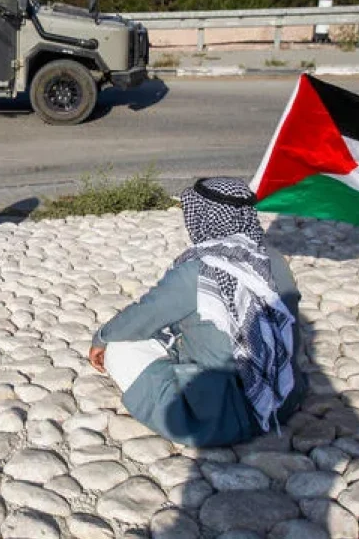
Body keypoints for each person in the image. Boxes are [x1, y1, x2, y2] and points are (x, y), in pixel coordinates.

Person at [88, 177, 305, 447]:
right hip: (281, 400)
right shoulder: (273, 259)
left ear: (202, 216)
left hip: (222, 415)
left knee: (119, 348)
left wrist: (102, 337)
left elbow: (143, 316)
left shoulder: (200, 269)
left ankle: (181, 413)